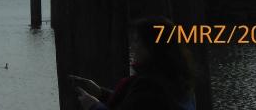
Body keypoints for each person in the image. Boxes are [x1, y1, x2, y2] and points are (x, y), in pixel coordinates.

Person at [68, 16, 196, 110]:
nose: (133, 47)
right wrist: (102, 94)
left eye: (137, 41)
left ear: (151, 48)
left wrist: (93, 106)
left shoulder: (150, 86)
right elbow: (137, 105)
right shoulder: (177, 80)